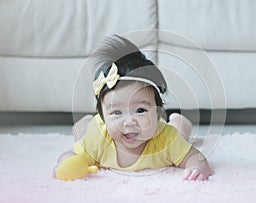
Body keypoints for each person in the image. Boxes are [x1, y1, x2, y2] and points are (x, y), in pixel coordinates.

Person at [53, 35, 212, 181]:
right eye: (116, 112)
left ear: (157, 112)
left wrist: (196, 168)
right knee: (81, 133)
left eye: (140, 110)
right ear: (103, 117)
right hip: (94, 128)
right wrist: (65, 163)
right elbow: (71, 155)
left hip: (164, 131)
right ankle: (86, 121)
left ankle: (180, 121)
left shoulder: (166, 139)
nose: (129, 122)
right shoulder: (98, 140)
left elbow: (196, 158)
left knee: (181, 136)